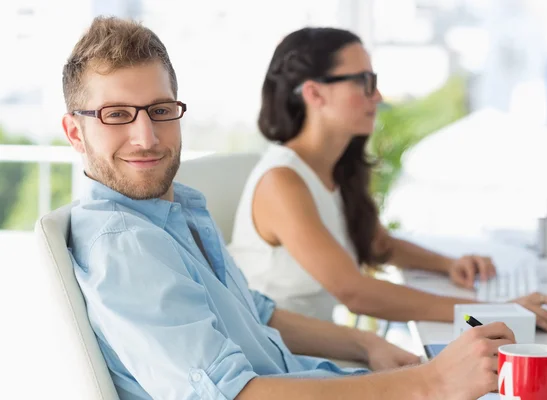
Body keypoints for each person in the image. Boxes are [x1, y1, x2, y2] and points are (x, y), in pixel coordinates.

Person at [63, 16, 516, 400]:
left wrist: (365, 345)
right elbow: (232, 395)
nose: (146, 137)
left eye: (160, 110)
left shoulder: (176, 210)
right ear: (75, 132)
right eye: (116, 115)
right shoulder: (123, 245)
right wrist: (430, 381)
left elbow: (258, 314)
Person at [228, 27, 547, 333]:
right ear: (314, 94)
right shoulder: (282, 181)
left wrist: (449, 265)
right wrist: (491, 312)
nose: (377, 96)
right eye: (364, 82)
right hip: (282, 358)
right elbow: (355, 292)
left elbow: (380, 245)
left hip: (324, 350)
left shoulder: (334, 169)